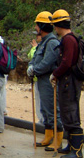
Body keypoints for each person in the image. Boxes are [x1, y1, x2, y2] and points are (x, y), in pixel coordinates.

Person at [50, 9, 84, 158]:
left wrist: (55, 73)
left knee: (70, 114)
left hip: (69, 83)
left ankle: (76, 151)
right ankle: (70, 146)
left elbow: (66, 62)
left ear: (58, 25)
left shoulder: (69, 40)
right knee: (66, 113)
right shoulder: (69, 39)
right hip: (67, 82)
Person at [27, 12, 62, 150]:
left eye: (37, 25)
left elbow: (47, 62)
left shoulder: (52, 42)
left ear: (42, 26)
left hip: (48, 80)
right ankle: (48, 136)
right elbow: (36, 56)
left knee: (52, 109)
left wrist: (35, 69)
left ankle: (58, 139)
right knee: (44, 109)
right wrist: (31, 65)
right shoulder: (43, 42)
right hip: (41, 80)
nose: (35, 28)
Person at [28, 32, 44, 124]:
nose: (36, 37)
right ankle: (41, 119)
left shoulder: (41, 47)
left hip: (40, 78)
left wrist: (34, 47)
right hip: (36, 78)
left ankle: (43, 120)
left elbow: (34, 56)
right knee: (38, 100)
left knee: (41, 100)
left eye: (38, 35)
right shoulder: (39, 46)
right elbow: (30, 56)